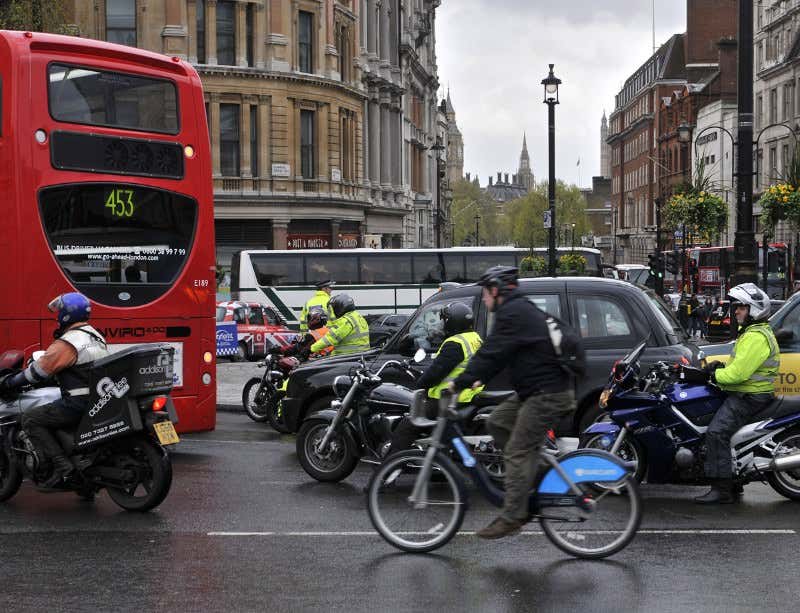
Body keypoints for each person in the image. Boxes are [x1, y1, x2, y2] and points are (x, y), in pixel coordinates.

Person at [449, 266, 576, 539]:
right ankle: (538, 476)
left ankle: (513, 516)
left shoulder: (512, 313)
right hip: (536, 389)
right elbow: (501, 353)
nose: (483, 299)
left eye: (485, 292)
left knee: (517, 451)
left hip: (547, 393)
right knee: (497, 422)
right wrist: (478, 377)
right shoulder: (518, 310)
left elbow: (491, 351)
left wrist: (459, 382)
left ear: (496, 290)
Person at [0, 293, 109, 488]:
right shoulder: (96, 335)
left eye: (59, 312)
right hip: (99, 400)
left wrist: (10, 382)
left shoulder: (68, 342)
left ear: (66, 315)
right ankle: (86, 487)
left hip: (77, 403)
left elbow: (37, 372)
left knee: (31, 419)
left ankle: (64, 468)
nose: (57, 316)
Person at [696, 282, 779, 504]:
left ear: (753, 310)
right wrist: (719, 368)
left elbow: (739, 375)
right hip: (748, 392)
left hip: (750, 396)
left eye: (741, 307)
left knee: (716, 433)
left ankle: (722, 490)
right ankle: (732, 478)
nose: (736, 311)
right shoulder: (753, 333)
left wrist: (713, 376)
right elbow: (738, 367)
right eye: (737, 308)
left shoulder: (755, 337)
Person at [384, 302, 484, 457]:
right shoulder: (474, 338)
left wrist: (420, 385)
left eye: (445, 320)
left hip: (450, 398)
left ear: (452, 322)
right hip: (471, 394)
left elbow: (436, 373)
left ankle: (390, 467)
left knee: (407, 426)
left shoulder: (455, 343)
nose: (442, 324)